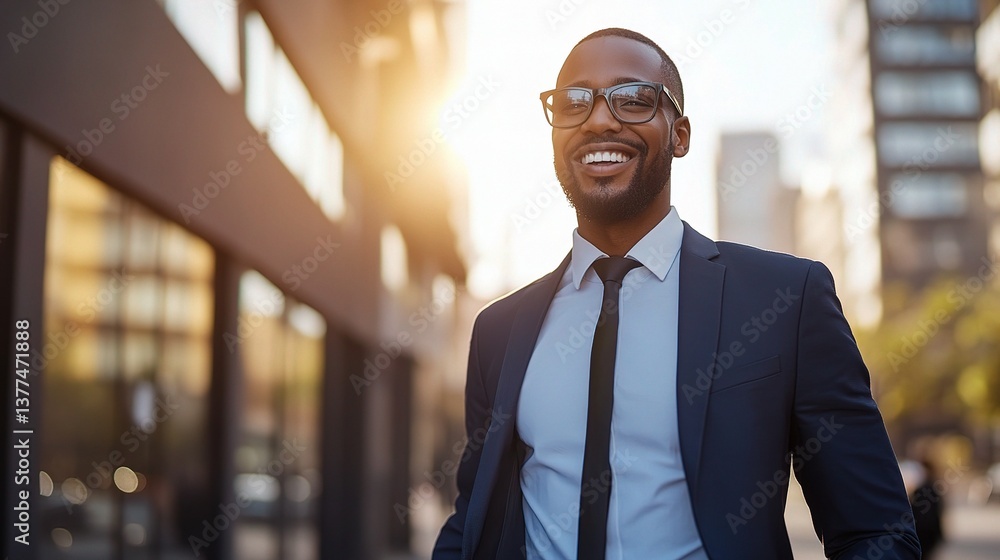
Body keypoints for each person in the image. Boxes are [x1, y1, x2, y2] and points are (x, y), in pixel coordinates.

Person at [433, 28, 919, 559]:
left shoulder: (784, 300)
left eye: (634, 99)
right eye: (575, 101)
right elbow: (474, 520)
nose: (598, 119)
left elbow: (875, 530)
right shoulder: (499, 330)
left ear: (680, 135)